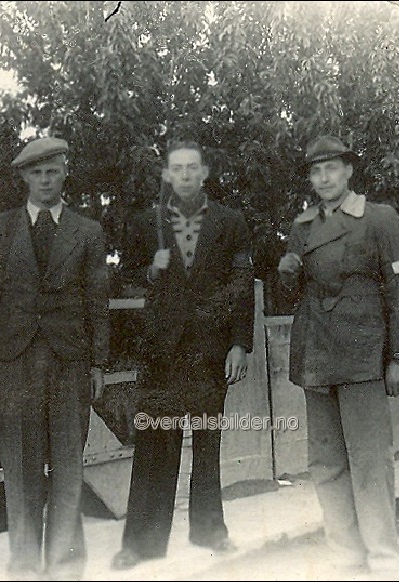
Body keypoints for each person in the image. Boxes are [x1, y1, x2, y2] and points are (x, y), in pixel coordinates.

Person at [276, 135, 399, 579]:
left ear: (348, 171)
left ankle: (384, 561)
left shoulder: (379, 219)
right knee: (326, 464)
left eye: (332, 168)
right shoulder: (302, 226)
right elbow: (293, 294)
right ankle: (345, 560)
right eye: (316, 171)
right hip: (317, 355)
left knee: (370, 464)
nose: (324, 178)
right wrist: (286, 273)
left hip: (363, 356)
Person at [0, 136, 110, 581]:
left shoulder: (87, 232)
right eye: (36, 173)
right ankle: (25, 566)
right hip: (12, 362)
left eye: (52, 172)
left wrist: (98, 363)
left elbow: (98, 302)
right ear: (25, 178)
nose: (45, 180)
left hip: (69, 362)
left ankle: (65, 567)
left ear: (65, 173)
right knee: (21, 468)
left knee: (68, 467)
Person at [110, 138, 254, 570]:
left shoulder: (230, 222)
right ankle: (141, 543)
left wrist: (239, 343)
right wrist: (150, 269)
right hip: (162, 352)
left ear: (204, 173)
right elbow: (126, 275)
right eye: (178, 168)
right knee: (155, 442)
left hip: (210, 349)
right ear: (167, 175)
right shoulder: (146, 223)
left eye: (193, 167)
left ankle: (211, 531)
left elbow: (242, 285)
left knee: (207, 443)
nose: (186, 175)